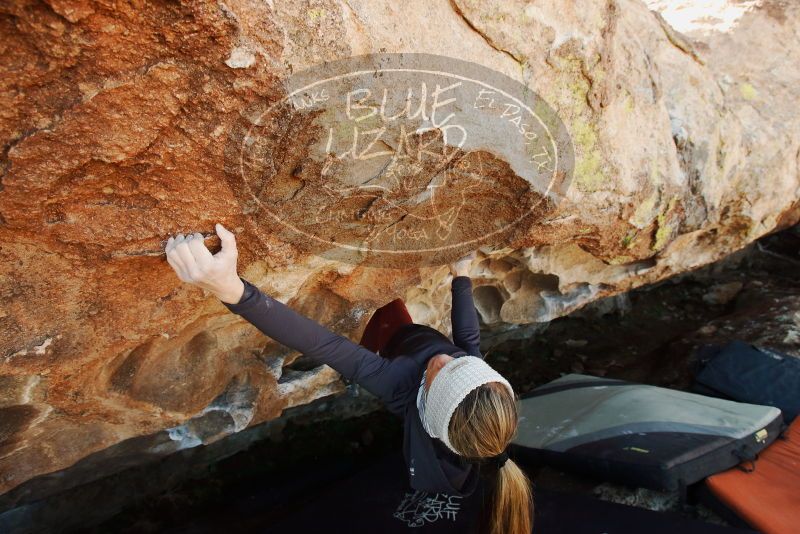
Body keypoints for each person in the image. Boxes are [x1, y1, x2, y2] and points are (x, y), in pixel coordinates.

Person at [165, 223, 533, 534]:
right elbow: (468, 340)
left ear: (427, 404)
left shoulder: (396, 384)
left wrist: (230, 289)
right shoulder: (479, 387)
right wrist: (461, 275)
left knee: (381, 309)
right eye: (462, 366)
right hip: (412, 346)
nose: (443, 359)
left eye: (440, 376)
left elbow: (322, 344)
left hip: (387, 341)